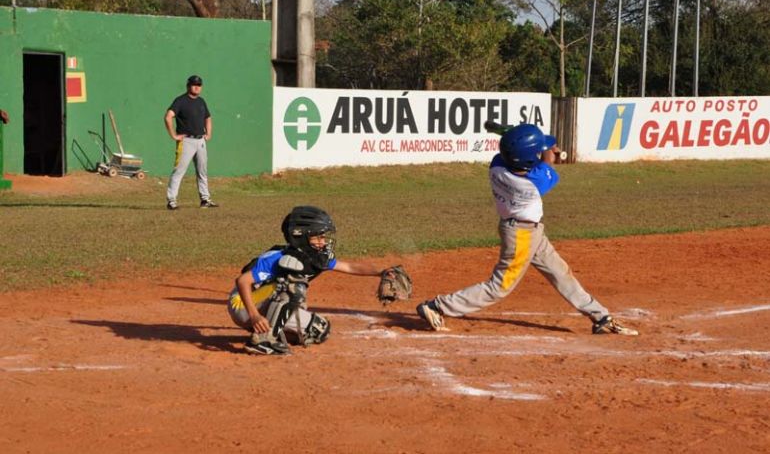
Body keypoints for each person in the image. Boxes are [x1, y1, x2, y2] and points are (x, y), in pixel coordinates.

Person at [416, 123, 638, 336]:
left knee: (560, 272)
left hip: (529, 231)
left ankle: (601, 317)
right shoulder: (535, 183)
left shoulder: (497, 165)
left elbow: (518, 154)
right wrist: (550, 152)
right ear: (530, 159)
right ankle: (438, 306)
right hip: (521, 235)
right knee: (498, 287)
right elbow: (548, 165)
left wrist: (520, 140)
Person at [228, 205, 401, 355]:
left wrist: (381, 272)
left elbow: (349, 267)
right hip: (243, 305)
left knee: (318, 330)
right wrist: (254, 316)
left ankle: (269, 331)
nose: (323, 242)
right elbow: (242, 281)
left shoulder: (315, 256)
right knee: (294, 284)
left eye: (324, 237)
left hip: (266, 303)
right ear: (301, 237)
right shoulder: (279, 257)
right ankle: (263, 341)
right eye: (318, 237)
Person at [164, 75, 217, 210]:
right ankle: (171, 201)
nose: (196, 87)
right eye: (194, 84)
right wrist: (173, 135)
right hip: (186, 141)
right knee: (179, 171)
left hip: (200, 141)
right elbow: (168, 117)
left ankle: (205, 199)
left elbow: (208, 118)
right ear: (188, 86)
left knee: (202, 171)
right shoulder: (180, 101)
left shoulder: (201, 101)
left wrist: (208, 133)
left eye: (199, 85)